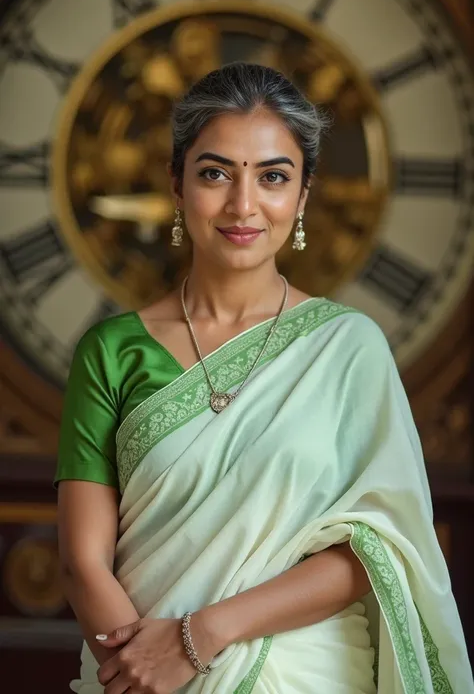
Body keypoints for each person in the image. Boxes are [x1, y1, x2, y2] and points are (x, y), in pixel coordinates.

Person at [55, 62, 472, 694]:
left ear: (302, 196)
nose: (242, 204)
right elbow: (83, 563)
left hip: (306, 675)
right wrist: (142, 677)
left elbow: (375, 547)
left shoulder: (345, 348)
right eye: (215, 173)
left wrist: (202, 637)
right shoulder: (112, 353)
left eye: (273, 177)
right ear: (176, 183)